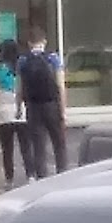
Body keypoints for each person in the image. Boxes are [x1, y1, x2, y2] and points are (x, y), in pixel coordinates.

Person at [18, 25, 69, 177]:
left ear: (29, 43)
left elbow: (19, 87)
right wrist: (63, 111)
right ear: (44, 41)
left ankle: (42, 178)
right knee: (59, 143)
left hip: (33, 107)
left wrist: (19, 106)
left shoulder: (23, 60)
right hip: (52, 105)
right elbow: (61, 86)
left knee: (38, 146)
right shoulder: (53, 58)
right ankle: (62, 174)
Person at [0, 39, 26, 184]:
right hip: (21, 111)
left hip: (3, 112)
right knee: (26, 147)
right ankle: (31, 175)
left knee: (7, 148)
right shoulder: (21, 67)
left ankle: (9, 179)